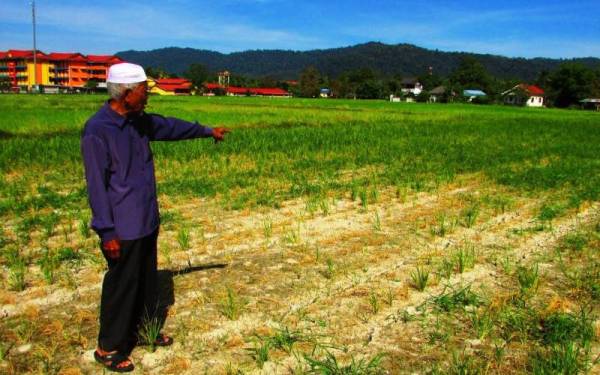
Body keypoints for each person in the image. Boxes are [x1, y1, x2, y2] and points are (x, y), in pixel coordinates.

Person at [81, 62, 229, 372]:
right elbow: (97, 187)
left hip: (146, 218)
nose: (148, 96)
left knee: (147, 281)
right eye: (144, 91)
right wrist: (106, 232)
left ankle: (145, 330)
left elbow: (172, 127)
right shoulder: (98, 130)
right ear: (126, 93)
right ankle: (108, 347)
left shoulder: (140, 122)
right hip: (123, 226)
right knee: (123, 285)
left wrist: (207, 131)